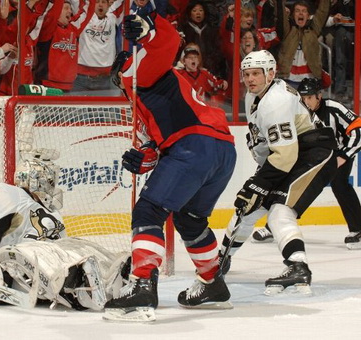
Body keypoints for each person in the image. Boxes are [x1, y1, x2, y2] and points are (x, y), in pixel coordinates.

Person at [103, 9, 237, 322]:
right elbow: (154, 150)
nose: (120, 90)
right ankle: (213, 284)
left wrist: (149, 25)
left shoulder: (136, 74)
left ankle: (142, 287)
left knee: (148, 211)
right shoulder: (149, 100)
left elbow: (166, 43)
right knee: (190, 219)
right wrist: (142, 159)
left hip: (193, 145)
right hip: (222, 150)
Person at [218, 50, 338, 296]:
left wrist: (259, 184)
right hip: (289, 157)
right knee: (248, 208)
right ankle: (221, 259)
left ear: (271, 74)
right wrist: (258, 184)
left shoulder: (275, 101)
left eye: (256, 74)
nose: (250, 79)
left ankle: (297, 266)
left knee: (279, 211)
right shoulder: (256, 98)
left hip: (311, 153)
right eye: (247, 74)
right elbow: (274, 151)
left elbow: (285, 155)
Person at [0, 150, 130, 311]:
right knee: (39, 249)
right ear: (36, 181)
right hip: (6, 271)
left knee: (77, 245)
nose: (52, 186)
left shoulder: (49, 211)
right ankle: (77, 291)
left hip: (33, 275)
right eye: (50, 181)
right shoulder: (9, 194)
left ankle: (112, 275)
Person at [252, 78, 361, 249]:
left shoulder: (333, 108)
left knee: (340, 184)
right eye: (303, 97)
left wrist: (344, 155)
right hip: (310, 154)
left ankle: (358, 230)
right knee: (290, 185)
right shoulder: (296, 110)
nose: (306, 101)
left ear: (319, 96)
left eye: (310, 97)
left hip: (336, 153)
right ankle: (274, 225)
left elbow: (358, 128)